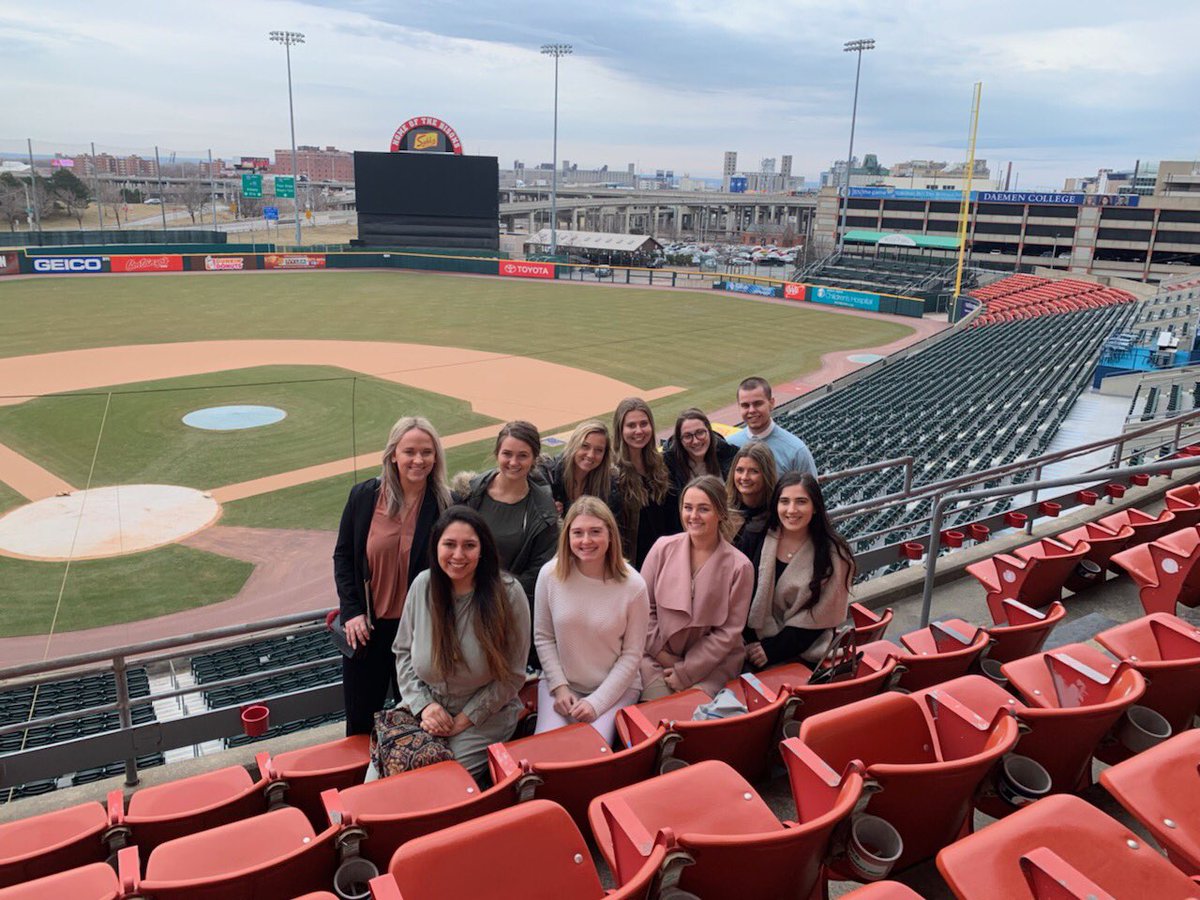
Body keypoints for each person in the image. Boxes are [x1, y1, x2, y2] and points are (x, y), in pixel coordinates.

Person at [333, 416, 451, 736]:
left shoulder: (445, 504)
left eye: (426, 452)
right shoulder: (364, 497)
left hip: (419, 633)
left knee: (416, 722)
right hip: (368, 631)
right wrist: (352, 611)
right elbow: (344, 557)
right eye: (409, 451)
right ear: (393, 454)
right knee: (360, 724)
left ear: (435, 457)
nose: (418, 459)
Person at [393, 506, 531, 780]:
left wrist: (463, 720)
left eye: (469, 545)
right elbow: (403, 653)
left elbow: (512, 676)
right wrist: (425, 706)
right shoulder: (423, 585)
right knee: (381, 778)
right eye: (449, 545)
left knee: (439, 783)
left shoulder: (509, 594)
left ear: (482, 550)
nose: (458, 555)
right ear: (436, 547)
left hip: (484, 717)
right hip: (426, 708)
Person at [533, 496, 649, 742]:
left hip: (615, 689)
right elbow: (543, 637)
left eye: (595, 531)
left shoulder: (634, 586)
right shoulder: (549, 575)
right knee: (546, 749)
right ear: (568, 537)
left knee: (588, 749)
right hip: (561, 686)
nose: (586, 541)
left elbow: (632, 655)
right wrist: (560, 687)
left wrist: (596, 702)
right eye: (578, 533)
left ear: (610, 535)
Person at [638, 475, 754, 700]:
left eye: (703, 509)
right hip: (657, 657)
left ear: (720, 513)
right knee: (657, 715)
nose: (693, 516)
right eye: (688, 508)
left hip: (712, 664)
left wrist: (687, 670)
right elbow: (642, 609)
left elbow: (728, 632)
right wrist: (664, 657)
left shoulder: (741, 566)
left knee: (693, 715)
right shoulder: (662, 548)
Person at [458, 421, 560, 665]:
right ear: (497, 454)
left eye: (522, 456)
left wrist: (490, 594)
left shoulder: (543, 510)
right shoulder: (471, 494)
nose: (513, 462)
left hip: (509, 613)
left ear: (534, 458)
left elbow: (538, 571)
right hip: (461, 604)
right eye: (507, 454)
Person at [742, 472, 855, 670]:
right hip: (752, 641)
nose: (791, 510)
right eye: (784, 501)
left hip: (806, 651)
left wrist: (771, 650)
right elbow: (745, 597)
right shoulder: (758, 538)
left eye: (801, 501)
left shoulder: (835, 554)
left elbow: (818, 618)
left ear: (815, 508)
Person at [612, 397, 679, 568]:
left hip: (668, 560)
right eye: (631, 425)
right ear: (620, 429)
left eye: (644, 423)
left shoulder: (662, 463)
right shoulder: (612, 473)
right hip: (634, 565)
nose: (639, 430)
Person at [727, 376, 817, 477]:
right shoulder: (728, 445)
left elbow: (811, 491)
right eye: (745, 405)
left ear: (771, 403)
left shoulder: (796, 450)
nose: (751, 410)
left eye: (758, 404)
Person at [539, 420, 613, 516]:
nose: (591, 455)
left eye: (599, 450)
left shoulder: (609, 484)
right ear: (573, 445)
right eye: (585, 446)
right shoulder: (547, 476)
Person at [662, 407, 737, 493]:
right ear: (680, 440)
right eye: (687, 436)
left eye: (700, 432)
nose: (695, 441)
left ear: (709, 432)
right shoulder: (668, 468)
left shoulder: (729, 455)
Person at [727, 443, 778, 556]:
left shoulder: (777, 515)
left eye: (754, 471)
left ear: (766, 474)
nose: (744, 477)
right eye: (739, 470)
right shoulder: (722, 511)